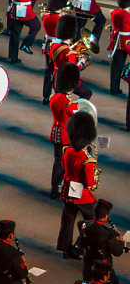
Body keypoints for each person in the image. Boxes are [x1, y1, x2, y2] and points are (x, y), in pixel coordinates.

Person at [57, 112, 100, 257]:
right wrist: (95, 177)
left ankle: (65, 249)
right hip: (81, 194)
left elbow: (63, 166)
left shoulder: (67, 151)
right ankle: (79, 245)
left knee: (68, 220)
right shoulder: (87, 159)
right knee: (93, 220)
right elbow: (88, 183)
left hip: (67, 188)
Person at [48, 63, 81, 199]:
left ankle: (54, 187)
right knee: (65, 164)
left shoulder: (54, 98)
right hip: (66, 136)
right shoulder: (70, 103)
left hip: (56, 132)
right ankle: (63, 189)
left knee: (57, 161)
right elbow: (77, 118)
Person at [76, 199, 126, 284]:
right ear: (106, 216)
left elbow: (81, 224)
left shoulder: (83, 224)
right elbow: (117, 252)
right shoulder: (109, 233)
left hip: (88, 263)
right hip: (103, 268)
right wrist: (120, 241)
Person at [107, 0, 130, 95]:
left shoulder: (115, 12)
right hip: (128, 42)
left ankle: (114, 88)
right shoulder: (128, 15)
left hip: (117, 41)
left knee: (116, 66)